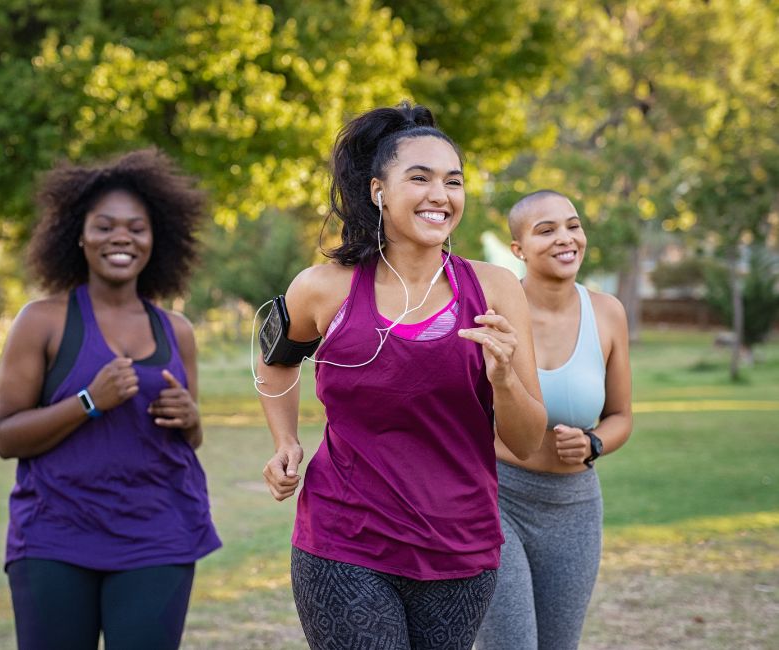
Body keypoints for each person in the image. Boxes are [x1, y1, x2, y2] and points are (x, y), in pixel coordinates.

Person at [256, 102, 548, 649]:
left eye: (453, 181)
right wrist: (284, 441)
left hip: (460, 546)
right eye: (420, 178)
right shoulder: (324, 288)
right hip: (344, 540)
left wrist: (505, 379)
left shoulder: (497, 291)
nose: (441, 195)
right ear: (377, 191)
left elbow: (527, 442)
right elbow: (275, 361)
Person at [0, 148, 220, 650]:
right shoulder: (42, 321)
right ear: (78, 234)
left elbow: (191, 438)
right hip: (56, 534)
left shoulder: (176, 331)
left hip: (158, 533)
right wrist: (89, 401)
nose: (121, 237)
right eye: (105, 226)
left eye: (137, 228)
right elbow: (5, 437)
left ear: (155, 239)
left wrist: (192, 418)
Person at [475, 190, 633, 650]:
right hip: (498, 500)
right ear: (518, 250)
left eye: (573, 225)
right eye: (546, 230)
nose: (566, 239)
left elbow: (621, 416)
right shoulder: (491, 314)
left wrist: (594, 445)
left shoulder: (608, 313)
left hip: (576, 508)